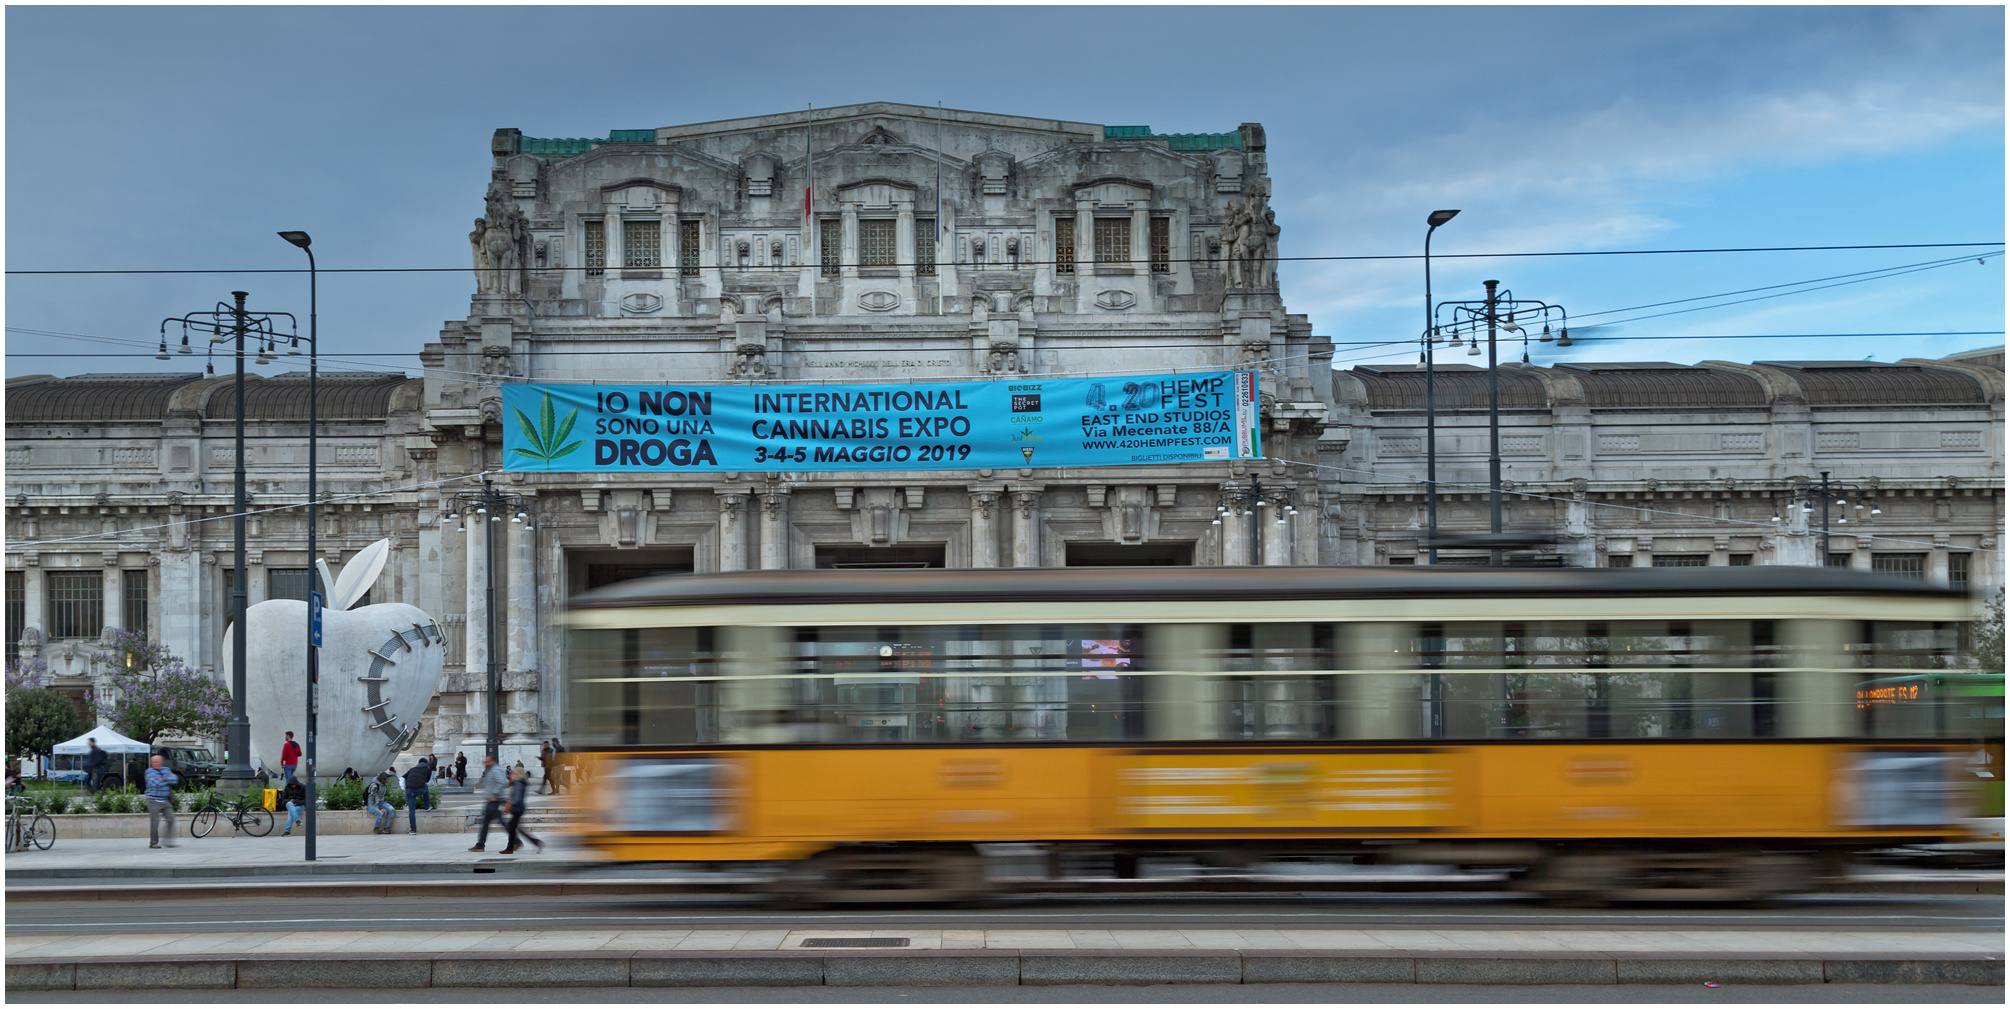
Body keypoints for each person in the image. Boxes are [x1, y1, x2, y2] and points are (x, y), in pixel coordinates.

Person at [500, 766, 544, 855]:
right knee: (514, 827)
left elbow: (516, 798)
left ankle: (510, 848)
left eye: (513, 773)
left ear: (517, 774)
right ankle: (535, 842)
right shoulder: (519, 782)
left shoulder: (518, 783)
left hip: (517, 809)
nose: (511, 774)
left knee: (511, 827)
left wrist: (508, 802)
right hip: (519, 808)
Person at [467, 754, 508, 852]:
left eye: (487, 761)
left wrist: (494, 794)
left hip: (496, 801)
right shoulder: (490, 770)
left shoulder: (496, 770)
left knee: (497, 823)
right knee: (487, 823)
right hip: (492, 801)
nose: (485, 763)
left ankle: (480, 845)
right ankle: (480, 844)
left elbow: (502, 782)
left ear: (493, 761)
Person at [143, 754, 179, 849]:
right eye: (155, 762)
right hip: (153, 800)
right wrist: (168, 779)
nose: (157, 764)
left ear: (162, 762)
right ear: (151, 763)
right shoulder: (149, 772)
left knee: (171, 819)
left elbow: (175, 780)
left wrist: (163, 779)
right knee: (155, 822)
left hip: (165, 799)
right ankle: (153, 842)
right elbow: (156, 783)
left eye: (158, 762)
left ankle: (168, 840)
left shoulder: (166, 769)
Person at [403, 757, 433, 834]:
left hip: (409, 790)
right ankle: (427, 805)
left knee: (411, 810)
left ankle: (413, 829)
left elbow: (403, 777)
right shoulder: (428, 769)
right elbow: (427, 780)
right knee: (425, 787)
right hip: (420, 788)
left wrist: (404, 787)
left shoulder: (412, 769)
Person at [365, 770, 396, 834]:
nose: (388, 779)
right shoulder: (374, 786)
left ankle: (387, 828)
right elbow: (374, 798)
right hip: (372, 804)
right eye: (387, 778)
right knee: (381, 813)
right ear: (383, 779)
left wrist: (386, 806)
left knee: (392, 809)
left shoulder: (384, 785)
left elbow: (384, 797)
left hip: (381, 802)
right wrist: (380, 808)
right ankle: (376, 828)